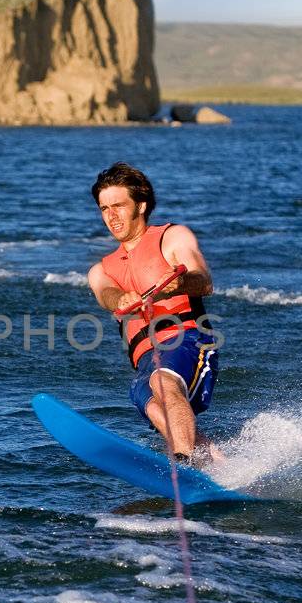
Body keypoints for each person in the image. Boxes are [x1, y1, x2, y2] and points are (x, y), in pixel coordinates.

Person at [86, 162, 221, 465]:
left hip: (187, 341)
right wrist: (120, 297)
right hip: (145, 360)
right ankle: (215, 463)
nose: (111, 215)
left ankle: (182, 462)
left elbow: (203, 280)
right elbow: (105, 293)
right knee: (146, 396)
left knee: (162, 384)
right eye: (104, 208)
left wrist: (175, 285)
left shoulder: (172, 238)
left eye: (118, 205)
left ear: (141, 205)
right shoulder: (101, 269)